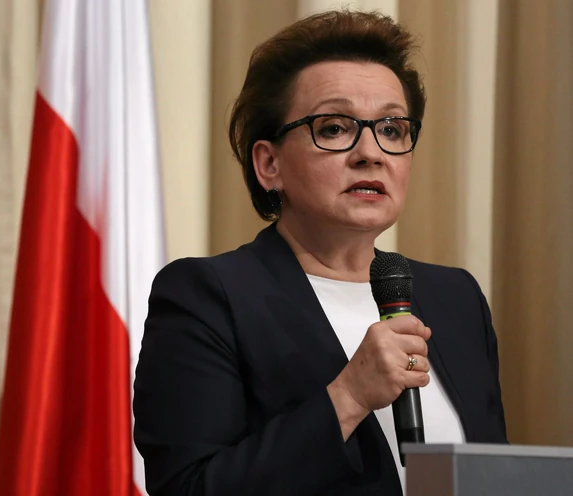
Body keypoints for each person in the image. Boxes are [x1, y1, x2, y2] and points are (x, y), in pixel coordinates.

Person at [132, 9, 508, 496]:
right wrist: (349, 395)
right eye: (334, 128)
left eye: (392, 129)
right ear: (269, 164)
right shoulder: (209, 296)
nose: (371, 153)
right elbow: (189, 488)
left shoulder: (455, 297)